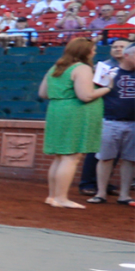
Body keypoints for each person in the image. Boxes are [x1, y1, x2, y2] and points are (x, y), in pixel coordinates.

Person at [40, 36, 104, 208]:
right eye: (93, 50)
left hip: (56, 111)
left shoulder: (56, 67)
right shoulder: (82, 68)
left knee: (60, 157)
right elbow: (86, 95)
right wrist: (106, 89)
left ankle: (53, 196)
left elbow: (43, 93)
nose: (95, 52)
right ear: (86, 52)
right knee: (71, 157)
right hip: (73, 114)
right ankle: (61, 198)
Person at [95, 39, 135, 204]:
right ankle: (101, 193)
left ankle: (124, 195)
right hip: (110, 120)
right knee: (105, 158)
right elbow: (95, 93)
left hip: (133, 122)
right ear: (127, 56)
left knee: (131, 160)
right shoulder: (108, 71)